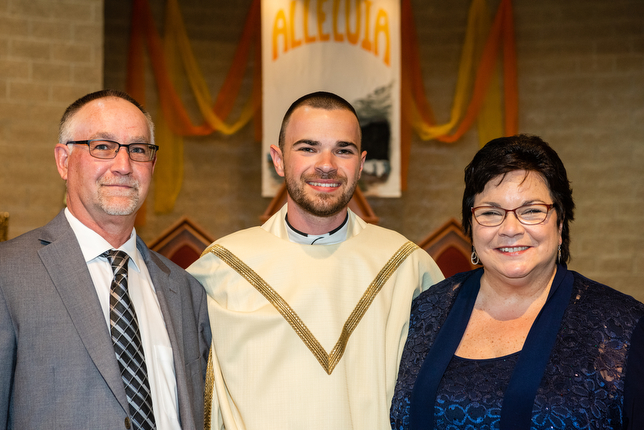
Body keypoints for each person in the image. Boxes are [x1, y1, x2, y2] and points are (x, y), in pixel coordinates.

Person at [188, 91, 444, 430]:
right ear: (278, 160)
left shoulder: (408, 268)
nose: (327, 164)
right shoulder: (222, 268)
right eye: (308, 148)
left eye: (343, 150)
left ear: (362, 163)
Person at [390, 134, 644, 430]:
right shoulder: (425, 312)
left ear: (560, 224)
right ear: (471, 227)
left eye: (532, 211)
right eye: (491, 213)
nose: (510, 228)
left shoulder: (622, 328)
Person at [0, 90, 212, 430]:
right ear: (63, 161)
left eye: (138, 150)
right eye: (103, 147)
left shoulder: (185, 289)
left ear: (152, 166)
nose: (124, 166)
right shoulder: (9, 276)